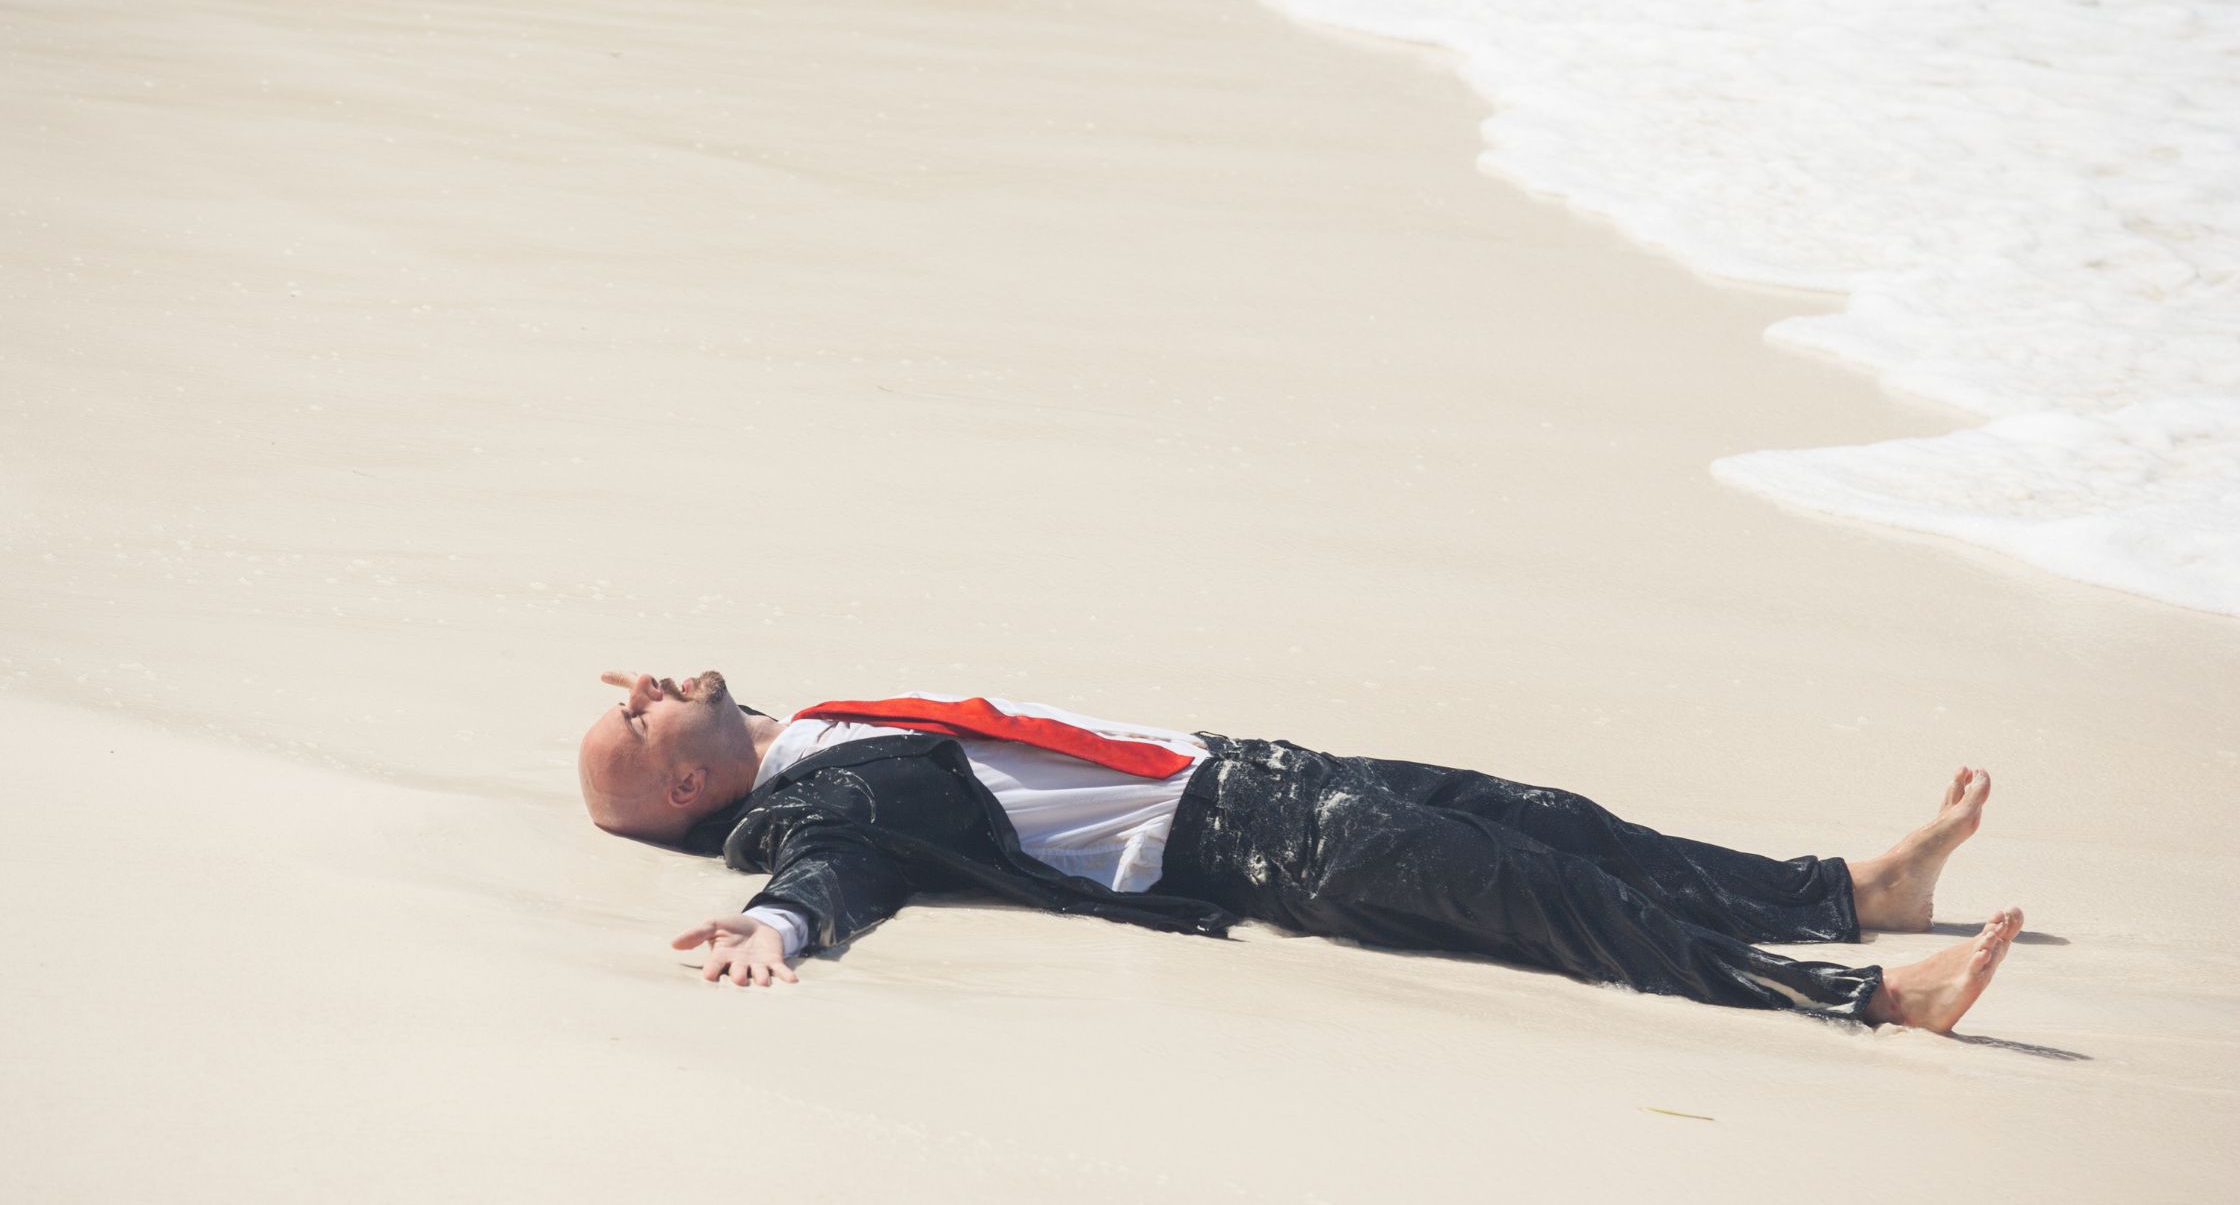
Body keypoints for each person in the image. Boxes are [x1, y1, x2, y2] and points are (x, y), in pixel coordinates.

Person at [577, 668, 2024, 1033]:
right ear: (698, 786)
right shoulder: (810, 809)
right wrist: (781, 925)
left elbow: (714, 718)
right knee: (1554, 901)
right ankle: (1866, 1000)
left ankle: (1851, 895)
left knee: (1557, 822)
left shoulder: (803, 726)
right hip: (1244, 840)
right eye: (637, 722)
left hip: (1244, 766)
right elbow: (844, 866)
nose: (631, 688)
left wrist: (695, 711)